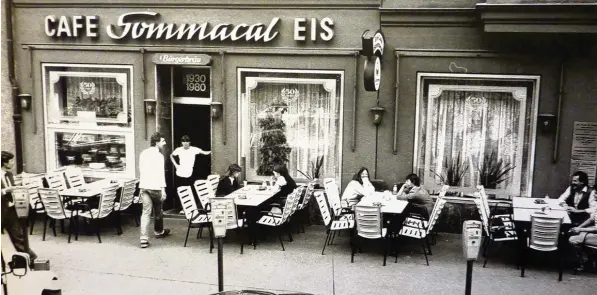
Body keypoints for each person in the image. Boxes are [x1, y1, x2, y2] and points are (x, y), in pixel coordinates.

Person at [1, 151, 38, 262]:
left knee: (18, 236)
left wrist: (21, 187)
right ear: (3, 162)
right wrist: (5, 190)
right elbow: (7, 189)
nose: (13, 163)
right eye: (11, 161)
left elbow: (12, 188)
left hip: (10, 210)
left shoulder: (9, 174)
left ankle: (30, 259)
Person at [138, 132, 171, 248]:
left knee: (145, 213)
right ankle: (159, 231)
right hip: (156, 187)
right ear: (157, 143)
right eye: (163, 141)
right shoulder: (159, 156)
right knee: (158, 211)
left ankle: (143, 239)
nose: (165, 143)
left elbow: (141, 170)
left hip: (144, 186)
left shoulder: (143, 153)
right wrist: (163, 190)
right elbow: (160, 174)